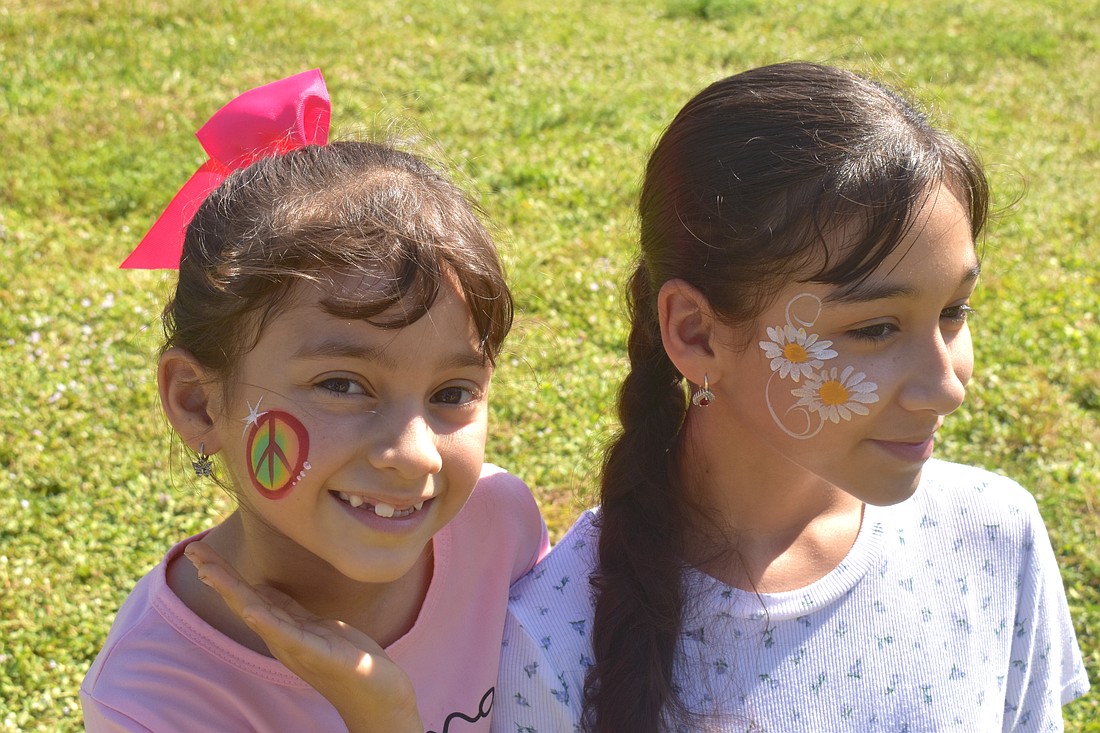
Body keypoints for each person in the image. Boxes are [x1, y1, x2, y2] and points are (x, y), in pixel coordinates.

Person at [492, 62, 1090, 732]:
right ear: (697, 333)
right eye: (874, 328)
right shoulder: (557, 635)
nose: (946, 384)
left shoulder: (994, 536)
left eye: (955, 311)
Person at [81, 69, 548, 733]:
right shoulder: (156, 695)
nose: (414, 455)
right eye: (343, 384)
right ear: (198, 403)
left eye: (451, 393)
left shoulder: (497, 529)